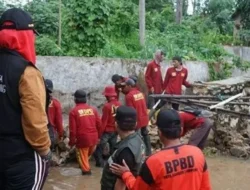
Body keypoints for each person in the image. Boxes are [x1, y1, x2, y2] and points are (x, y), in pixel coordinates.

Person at [0, 8, 51, 189]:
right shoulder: (27, 72)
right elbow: (35, 122)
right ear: (24, 36)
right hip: (21, 156)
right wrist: (45, 151)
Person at [110, 109, 212, 190]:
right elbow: (205, 187)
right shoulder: (198, 153)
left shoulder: (154, 162)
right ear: (181, 130)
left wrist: (125, 174)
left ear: (159, 132)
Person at [101, 106, 146, 190]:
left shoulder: (126, 150)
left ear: (116, 124)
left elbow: (120, 184)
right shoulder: (138, 139)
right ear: (135, 124)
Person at [69, 89, 102, 175]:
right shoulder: (93, 110)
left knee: (85, 167)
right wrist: (99, 137)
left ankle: (86, 180)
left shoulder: (73, 111)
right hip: (94, 139)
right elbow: (99, 124)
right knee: (86, 157)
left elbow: (73, 130)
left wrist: (71, 142)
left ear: (75, 99)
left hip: (83, 140)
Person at [121, 79, 151, 156]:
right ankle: (149, 151)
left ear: (129, 86)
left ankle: (138, 153)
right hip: (144, 117)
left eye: (125, 86)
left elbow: (131, 111)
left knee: (135, 137)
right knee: (145, 133)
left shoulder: (129, 96)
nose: (124, 88)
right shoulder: (140, 93)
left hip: (137, 119)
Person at [94, 85, 122, 167]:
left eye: (106, 95)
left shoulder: (107, 106)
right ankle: (112, 164)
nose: (105, 96)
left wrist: (99, 135)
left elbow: (104, 122)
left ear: (108, 96)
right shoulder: (119, 104)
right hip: (115, 130)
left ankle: (100, 164)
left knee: (99, 148)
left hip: (107, 131)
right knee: (113, 148)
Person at [45, 79, 64, 149]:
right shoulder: (55, 103)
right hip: (50, 133)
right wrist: (61, 133)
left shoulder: (36, 102)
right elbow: (59, 121)